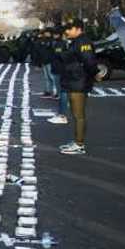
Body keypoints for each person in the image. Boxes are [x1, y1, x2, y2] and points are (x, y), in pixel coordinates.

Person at [55, 19, 98, 155]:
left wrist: (94, 74)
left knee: (79, 115)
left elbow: (89, 61)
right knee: (76, 114)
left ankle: (79, 144)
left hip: (79, 82)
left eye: (70, 28)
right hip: (74, 81)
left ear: (78, 29)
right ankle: (78, 142)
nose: (67, 31)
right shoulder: (75, 42)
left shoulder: (83, 42)